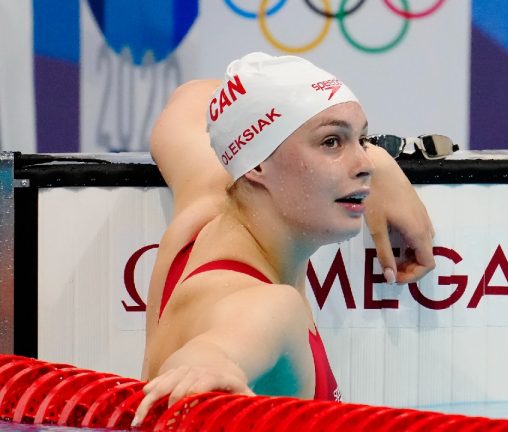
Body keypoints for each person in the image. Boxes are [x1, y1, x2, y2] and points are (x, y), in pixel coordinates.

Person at [132, 52, 436, 425]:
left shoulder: (206, 201)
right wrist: (205, 367)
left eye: (363, 139)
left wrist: (382, 161)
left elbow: (192, 97)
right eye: (331, 143)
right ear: (258, 163)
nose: (366, 164)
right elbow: (214, 352)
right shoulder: (271, 307)